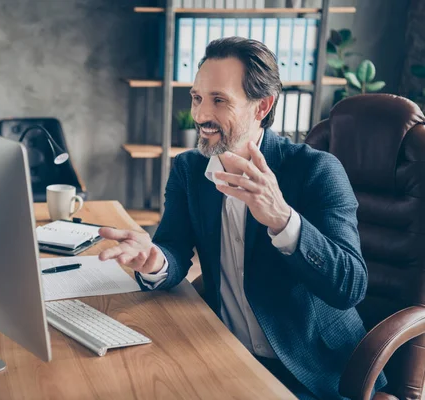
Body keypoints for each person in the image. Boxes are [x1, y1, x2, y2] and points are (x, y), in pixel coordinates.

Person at [98, 37, 386, 399]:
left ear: (262, 106)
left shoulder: (317, 170)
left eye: (219, 100)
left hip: (311, 370)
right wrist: (153, 260)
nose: (201, 115)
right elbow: (172, 248)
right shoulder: (189, 169)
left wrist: (283, 220)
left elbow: (350, 287)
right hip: (225, 354)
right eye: (197, 98)